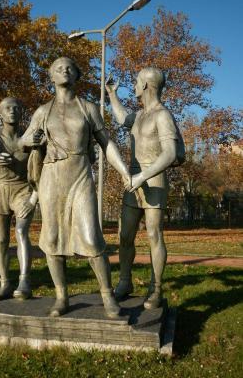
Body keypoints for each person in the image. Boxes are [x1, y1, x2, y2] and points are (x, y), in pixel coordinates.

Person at [20, 57, 131, 318]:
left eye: (69, 66)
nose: (64, 69)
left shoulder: (88, 108)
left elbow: (107, 143)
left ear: (77, 74)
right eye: (57, 67)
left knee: (92, 238)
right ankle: (62, 296)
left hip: (80, 174)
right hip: (51, 177)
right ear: (51, 76)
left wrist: (125, 171)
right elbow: (24, 140)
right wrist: (29, 139)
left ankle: (107, 295)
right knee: (52, 239)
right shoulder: (42, 111)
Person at [106, 67, 184, 309]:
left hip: (154, 181)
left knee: (153, 235)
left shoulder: (163, 115)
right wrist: (112, 94)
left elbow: (171, 154)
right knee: (125, 236)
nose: (135, 85)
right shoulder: (139, 115)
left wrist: (143, 177)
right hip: (134, 181)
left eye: (137, 81)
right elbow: (122, 118)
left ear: (147, 86)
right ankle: (125, 282)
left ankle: (156, 288)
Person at [0, 97, 38, 301]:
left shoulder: (30, 137)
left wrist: (33, 198)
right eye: (7, 108)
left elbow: (41, 169)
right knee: (1, 239)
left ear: (22, 112)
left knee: (21, 231)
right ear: (0, 114)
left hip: (23, 189)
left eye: (16, 107)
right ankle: (5, 283)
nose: (12, 111)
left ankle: (24, 281)